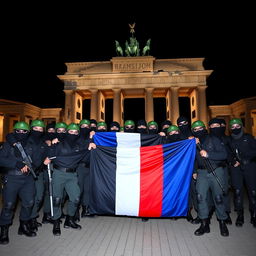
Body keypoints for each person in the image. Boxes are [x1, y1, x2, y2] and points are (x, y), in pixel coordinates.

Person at [49, 123, 96, 236]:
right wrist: (52, 146)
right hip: (59, 173)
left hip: (72, 175)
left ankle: (69, 220)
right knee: (57, 199)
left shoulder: (78, 145)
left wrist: (90, 148)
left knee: (75, 198)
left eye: (76, 132)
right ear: (67, 132)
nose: (73, 134)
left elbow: (84, 158)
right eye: (71, 132)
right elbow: (50, 155)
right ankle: (56, 222)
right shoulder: (58, 143)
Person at [0, 122, 37, 244]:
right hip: (11, 178)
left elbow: (37, 158)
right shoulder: (8, 145)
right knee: (9, 205)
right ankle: (4, 230)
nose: (21, 133)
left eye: (24, 131)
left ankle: (23, 225)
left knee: (29, 202)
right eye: (18, 131)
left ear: (28, 132)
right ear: (14, 131)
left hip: (27, 179)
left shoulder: (31, 144)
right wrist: (16, 163)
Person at [192, 120, 229, 236]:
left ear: (205, 128)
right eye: (195, 130)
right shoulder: (194, 142)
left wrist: (208, 154)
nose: (198, 131)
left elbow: (224, 155)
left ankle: (222, 222)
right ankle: (204, 224)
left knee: (218, 198)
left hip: (216, 171)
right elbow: (193, 158)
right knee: (200, 197)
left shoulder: (213, 139)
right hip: (202, 173)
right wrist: (194, 171)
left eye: (200, 128)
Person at [228, 118, 256, 228]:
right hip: (236, 169)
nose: (235, 128)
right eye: (233, 127)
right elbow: (228, 153)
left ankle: (253, 215)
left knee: (253, 192)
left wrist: (245, 158)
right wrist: (233, 161)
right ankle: (240, 215)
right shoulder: (229, 140)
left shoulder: (248, 137)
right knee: (238, 192)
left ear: (241, 126)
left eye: (237, 126)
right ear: (230, 129)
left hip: (250, 167)